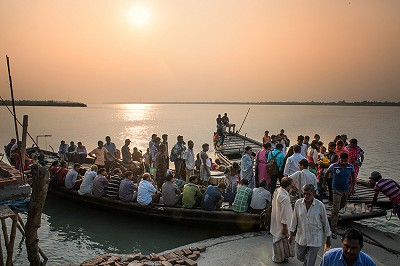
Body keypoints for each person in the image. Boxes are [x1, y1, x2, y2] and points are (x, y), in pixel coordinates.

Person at [289, 184, 331, 266]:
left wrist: (328, 237)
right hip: (302, 236)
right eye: (304, 193)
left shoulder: (320, 206)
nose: (306, 196)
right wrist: (291, 234)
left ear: (314, 194)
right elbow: (294, 220)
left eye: (308, 194)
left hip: (315, 237)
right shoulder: (298, 203)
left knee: (310, 263)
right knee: (300, 256)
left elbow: (325, 222)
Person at [323, 152, 355, 239]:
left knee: (342, 205)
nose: (344, 162)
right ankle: (334, 229)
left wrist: (352, 187)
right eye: (342, 160)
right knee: (336, 209)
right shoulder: (334, 166)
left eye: (345, 160)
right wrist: (324, 184)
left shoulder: (350, 166)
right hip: (336, 189)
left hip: (345, 189)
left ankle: (335, 213)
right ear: (339, 159)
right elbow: (326, 173)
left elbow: (353, 176)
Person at [271, 177, 293, 263]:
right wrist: (284, 226)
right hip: (282, 222)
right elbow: (284, 213)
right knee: (279, 241)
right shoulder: (284, 197)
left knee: (277, 239)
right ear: (289, 186)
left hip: (277, 219)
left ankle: (280, 257)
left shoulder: (278, 191)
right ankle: (279, 258)